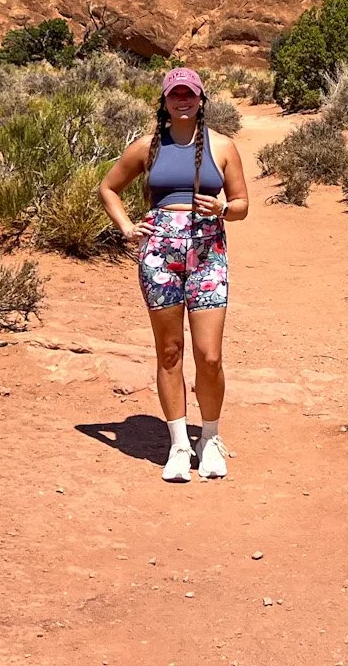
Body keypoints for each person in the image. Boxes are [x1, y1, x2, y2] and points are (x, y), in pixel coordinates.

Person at [99, 66, 251, 482]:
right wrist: (129, 228)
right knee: (169, 353)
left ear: (201, 99)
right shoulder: (147, 147)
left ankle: (211, 439)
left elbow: (241, 204)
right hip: (159, 253)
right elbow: (107, 188)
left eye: (189, 94)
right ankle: (180, 444)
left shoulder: (222, 146)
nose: (182, 100)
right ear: (164, 101)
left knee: (210, 355)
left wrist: (221, 209)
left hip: (208, 251)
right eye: (174, 94)